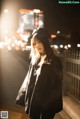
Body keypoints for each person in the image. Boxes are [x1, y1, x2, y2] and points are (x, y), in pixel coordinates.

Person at [16, 28, 63, 119]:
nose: (36, 45)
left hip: (47, 106)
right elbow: (29, 82)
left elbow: (55, 87)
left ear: (46, 41)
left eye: (39, 41)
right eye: (34, 43)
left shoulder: (54, 61)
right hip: (34, 104)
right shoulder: (35, 60)